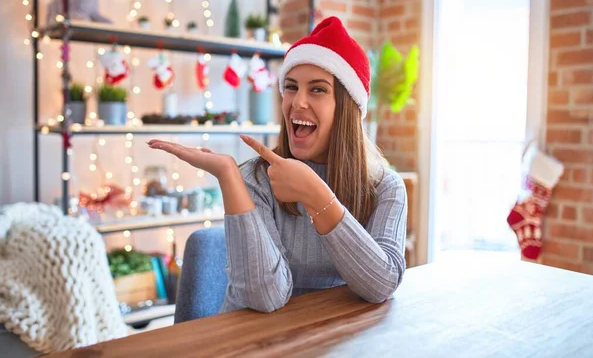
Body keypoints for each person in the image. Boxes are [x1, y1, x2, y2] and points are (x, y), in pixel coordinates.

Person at [148, 16, 408, 314]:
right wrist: (230, 176)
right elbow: (265, 298)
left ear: (347, 107)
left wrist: (316, 195)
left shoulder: (386, 187)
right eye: (291, 87)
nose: (297, 102)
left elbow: (381, 285)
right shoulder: (257, 179)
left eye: (318, 89)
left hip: (336, 340)